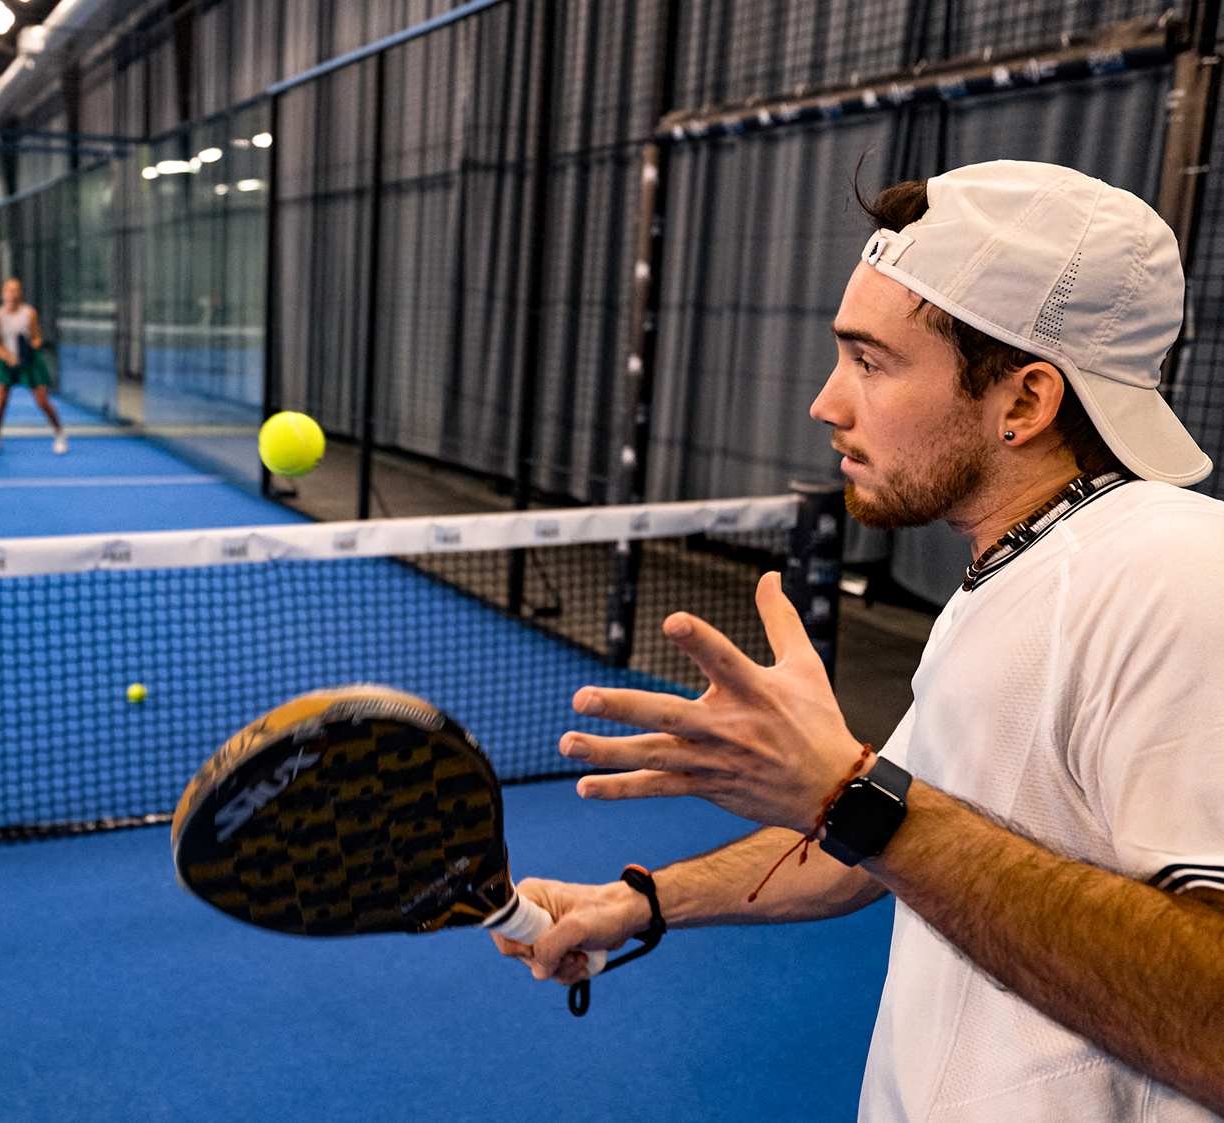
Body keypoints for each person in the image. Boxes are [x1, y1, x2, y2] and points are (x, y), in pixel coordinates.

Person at [495, 161, 1224, 1120]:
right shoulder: (1017, 569)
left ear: (1023, 403)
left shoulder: (1170, 572)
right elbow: (864, 845)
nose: (826, 403)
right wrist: (640, 899)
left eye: (869, 362)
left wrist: (850, 795)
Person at [0, 277, 66, 456]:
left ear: (20, 293)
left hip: (30, 363)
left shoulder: (29, 313)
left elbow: (37, 337)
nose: (12, 294)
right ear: (2, 294)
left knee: (43, 402)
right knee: (0, 403)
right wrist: (8, 356)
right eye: (8, 291)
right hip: (6, 364)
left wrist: (29, 349)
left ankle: (59, 434)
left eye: (15, 291)